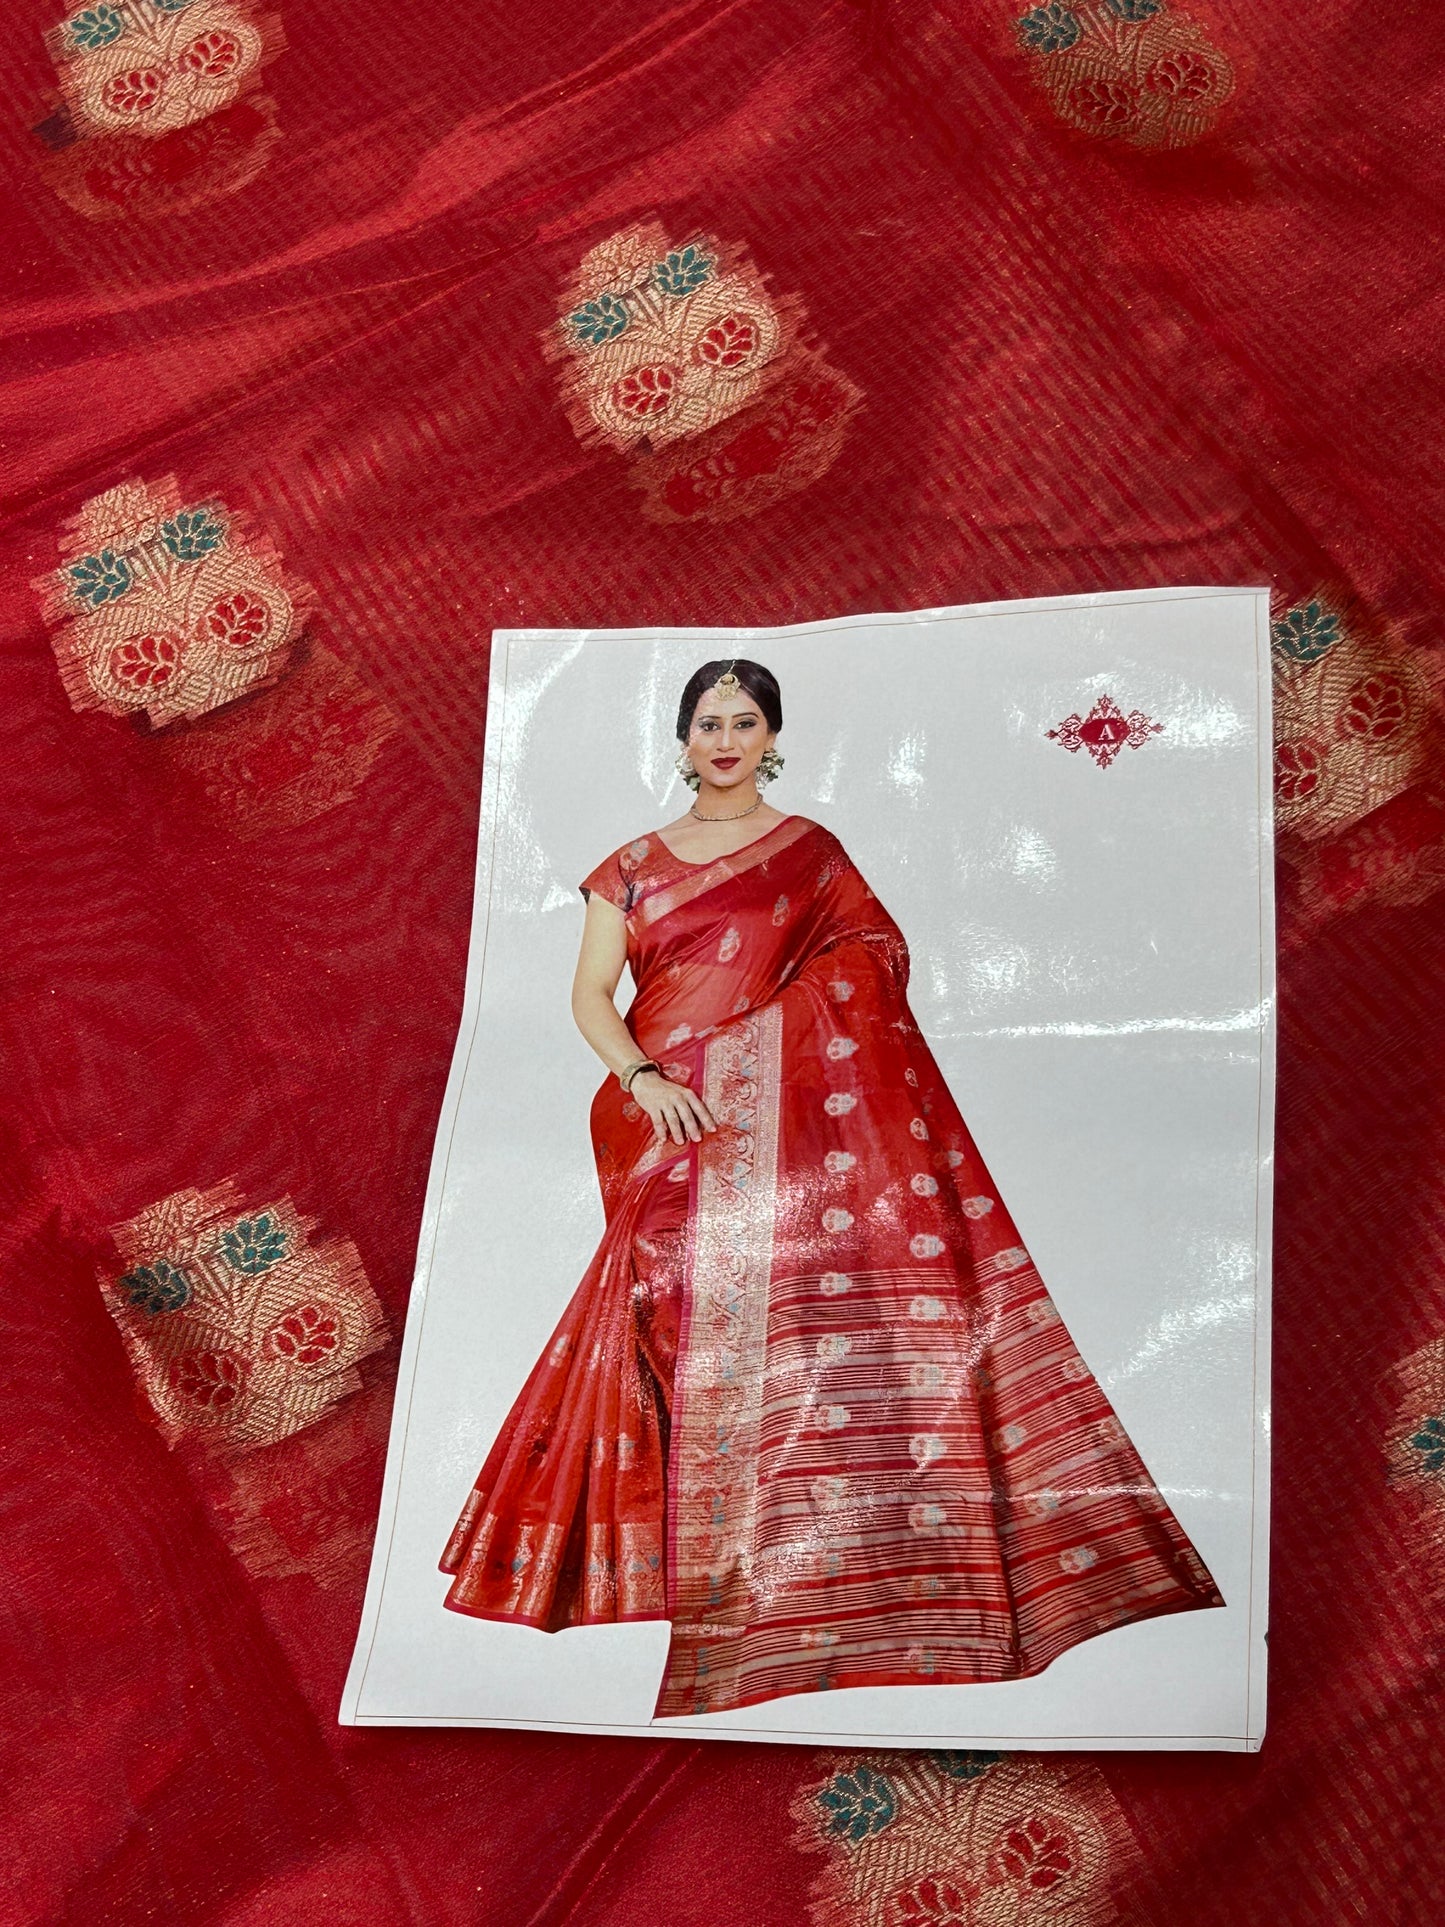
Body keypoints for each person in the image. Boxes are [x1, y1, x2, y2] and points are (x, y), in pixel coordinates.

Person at [440, 660, 1223, 1718]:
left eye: (745, 720)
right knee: (669, 1315)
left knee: (780, 1321)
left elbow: (868, 951)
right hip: (658, 1108)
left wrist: (753, 1046)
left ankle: (797, 1560)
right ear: (681, 740)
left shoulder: (808, 851)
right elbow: (588, 994)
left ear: (771, 737)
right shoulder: (624, 866)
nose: (725, 737)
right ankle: (689, 1562)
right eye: (707, 721)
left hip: (783, 1105)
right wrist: (643, 1074)